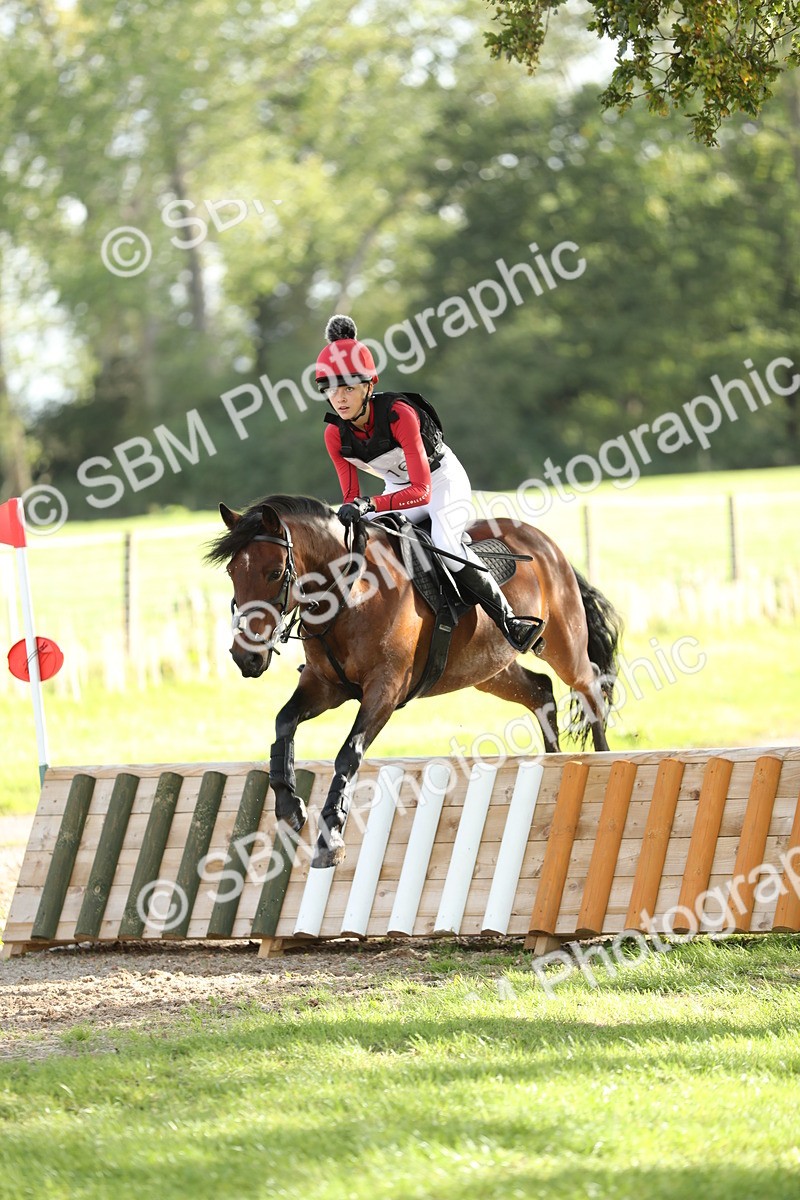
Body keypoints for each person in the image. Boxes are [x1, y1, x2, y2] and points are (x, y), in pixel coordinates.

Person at [316, 314, 544, 654]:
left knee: (446, 545)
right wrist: (352, 512)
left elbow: (421, 491)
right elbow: (352, 496)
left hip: (441, 482)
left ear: (369, 386)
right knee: (360, 542)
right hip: (396, 489)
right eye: (332, 390)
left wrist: (370, 504)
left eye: (349, 388)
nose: (340, 398)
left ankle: (509, 621)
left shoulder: (398, 414)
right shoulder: (335, 435)